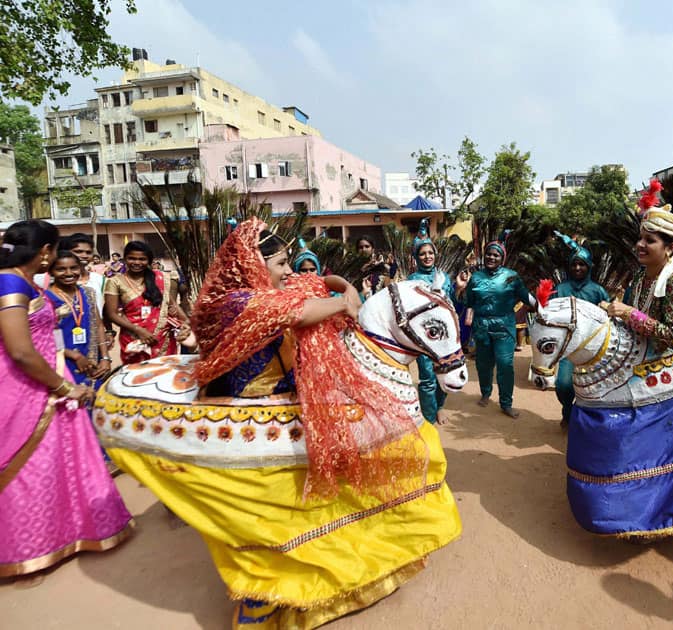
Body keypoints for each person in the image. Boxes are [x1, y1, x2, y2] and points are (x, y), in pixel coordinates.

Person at [109, 219, 461, 628]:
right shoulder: (241, 302)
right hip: (251, 408)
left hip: (286, 390)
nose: (287, 271)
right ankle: (268, 592)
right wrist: (344, 301)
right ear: (254, 265)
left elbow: (312, 285)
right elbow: (303, 308)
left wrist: (338, 284)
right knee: (276, 508)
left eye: (288, 262)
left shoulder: (268, 289)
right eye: (279, 263)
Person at [0, 220, 132, 578]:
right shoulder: (9, 282)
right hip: (24, 390)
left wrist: (69, 364)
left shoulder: (23, 282)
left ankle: (62, 536)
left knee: (57, 464)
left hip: (46, 383)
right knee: (26, 469)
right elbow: (21, 352)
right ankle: (25, 548)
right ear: (45, 252)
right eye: (56, 250)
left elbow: (46, 336)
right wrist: (63, 388)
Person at [455, 235, 533, 418]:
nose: (491, 257)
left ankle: (506, 403)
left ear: (502, 258)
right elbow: (469, 302)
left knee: (505, 365)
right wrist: (461, 289)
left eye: (495, 255)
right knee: (484, 364)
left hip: (504, 327)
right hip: (481, 327)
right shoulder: (476, 278)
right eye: (489, 254)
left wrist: (541, 305)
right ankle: (485, 393)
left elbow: (525, 295)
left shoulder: (511, 277)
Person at [606, 206, 673, 352]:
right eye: (640, 238)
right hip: (634, 354)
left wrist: (629, 313)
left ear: (670, 248)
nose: (639, 245)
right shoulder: (640, 276)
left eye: (649, 241)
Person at [552, 233, 609, 427]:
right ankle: (568, 411)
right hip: (569, 348)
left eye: (582, 264)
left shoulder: (598, 291)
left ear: (589, 267)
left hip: (593, 349)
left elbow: (606, 319)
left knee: (593, 388)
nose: (577, 268)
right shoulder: (560, 289)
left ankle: (585, 421)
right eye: (574, 264)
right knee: (564, 385)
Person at [104, 241, 189, 365]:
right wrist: (138, 330)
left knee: (163, 376)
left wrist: (186, 322)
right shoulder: (115, 282)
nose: (137, 263)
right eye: (131, 258)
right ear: (125, 259)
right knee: (136, 377)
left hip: (162, 338)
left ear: (149, 261)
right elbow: (111, 314)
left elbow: (171, 304)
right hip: (133, 338)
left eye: (142, 259)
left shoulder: (159, 278)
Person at [407, 219, 455, 425]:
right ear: (417, 257)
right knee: (427, 377)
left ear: (436, 255)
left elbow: (452, 304)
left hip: (444, 336)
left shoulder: (444, 277)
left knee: (444, 373)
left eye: (430, 253)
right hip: (424, 336)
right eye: (423, 254)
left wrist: (459, 289)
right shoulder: (412, 279)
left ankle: (440, 406)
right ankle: (428, 415)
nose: (427, 257)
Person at [46, 251, 110, 387]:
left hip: (93, 361)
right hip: (63, 362)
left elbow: (98, 325)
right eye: (61, 269)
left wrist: (105, 357)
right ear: (51, 272)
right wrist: (74, 356)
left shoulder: (87, 293)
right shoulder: (45, 299)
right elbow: (45, 337)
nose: (69, 273)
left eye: (73, 268)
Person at [356, 235, 395, 301]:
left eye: (367, 246)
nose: (364, 249)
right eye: (360, 247)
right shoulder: (352, 269)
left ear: (373, 249)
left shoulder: (382, 267)